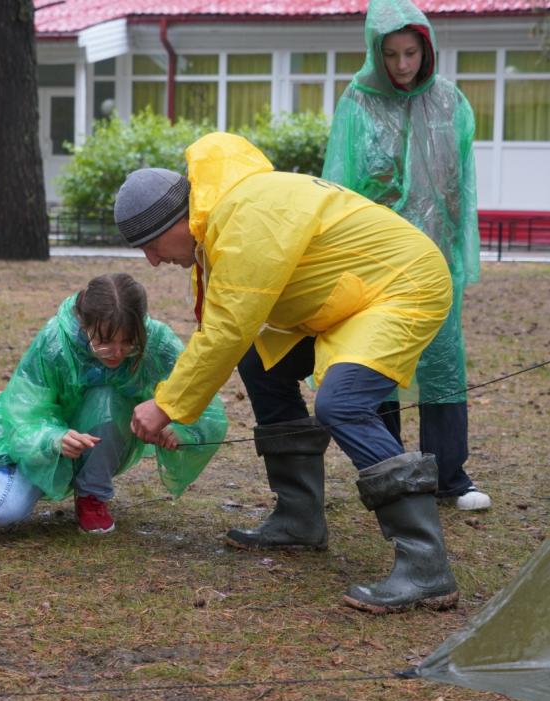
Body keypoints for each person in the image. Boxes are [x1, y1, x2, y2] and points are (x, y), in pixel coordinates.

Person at [113, 132, 459, 614]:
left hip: (400, 287)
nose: (152, 260)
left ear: (175, 220)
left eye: (150, 245)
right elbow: (229, 330)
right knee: (260, 360)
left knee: (342, 404)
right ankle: (299, 518)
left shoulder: (244, 215)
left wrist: (167, 405)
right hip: (347, 299)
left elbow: (228, 327)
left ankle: (426, 566)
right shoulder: (223, 216)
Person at [322, 0, 489, 511]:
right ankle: (388, 468)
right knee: (381, 356)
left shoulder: (449, 102)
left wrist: (459, 248)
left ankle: (449, 476)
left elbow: (461, 181)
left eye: (410, 52)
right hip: (377, 258)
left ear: (427, 48)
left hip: (436, 256)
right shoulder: (357, 101)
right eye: (390, 53)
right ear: (375, 52)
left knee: (442, 361)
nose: (401, 64)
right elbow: (339, 181)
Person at [0, 273, 227, 532]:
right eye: (105, 342)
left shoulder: (156, 341)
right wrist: (53, 439)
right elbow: (25, 411)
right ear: (84, 324)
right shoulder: (54, 343)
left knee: (107, 396)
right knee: (2, 511)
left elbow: (196, 392)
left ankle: (92, 495)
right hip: (43, 439)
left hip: (100, 435)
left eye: (128, 342)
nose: (117, 353)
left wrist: (178, 427)